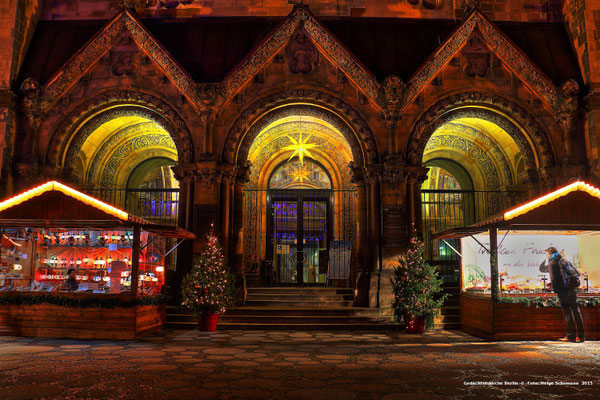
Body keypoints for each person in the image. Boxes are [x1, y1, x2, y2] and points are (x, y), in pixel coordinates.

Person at [541, 247, 584, 342]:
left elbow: (553, 278)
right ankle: (581, 336)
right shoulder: (566, 261)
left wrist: (554, 289)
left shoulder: (552, 263)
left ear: (550, 253)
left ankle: (570, 336)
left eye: (547, 254)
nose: (547, 256)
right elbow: (576, 273)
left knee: (567, 313)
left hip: (563, 290)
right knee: (576, 311)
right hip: (572, 289)